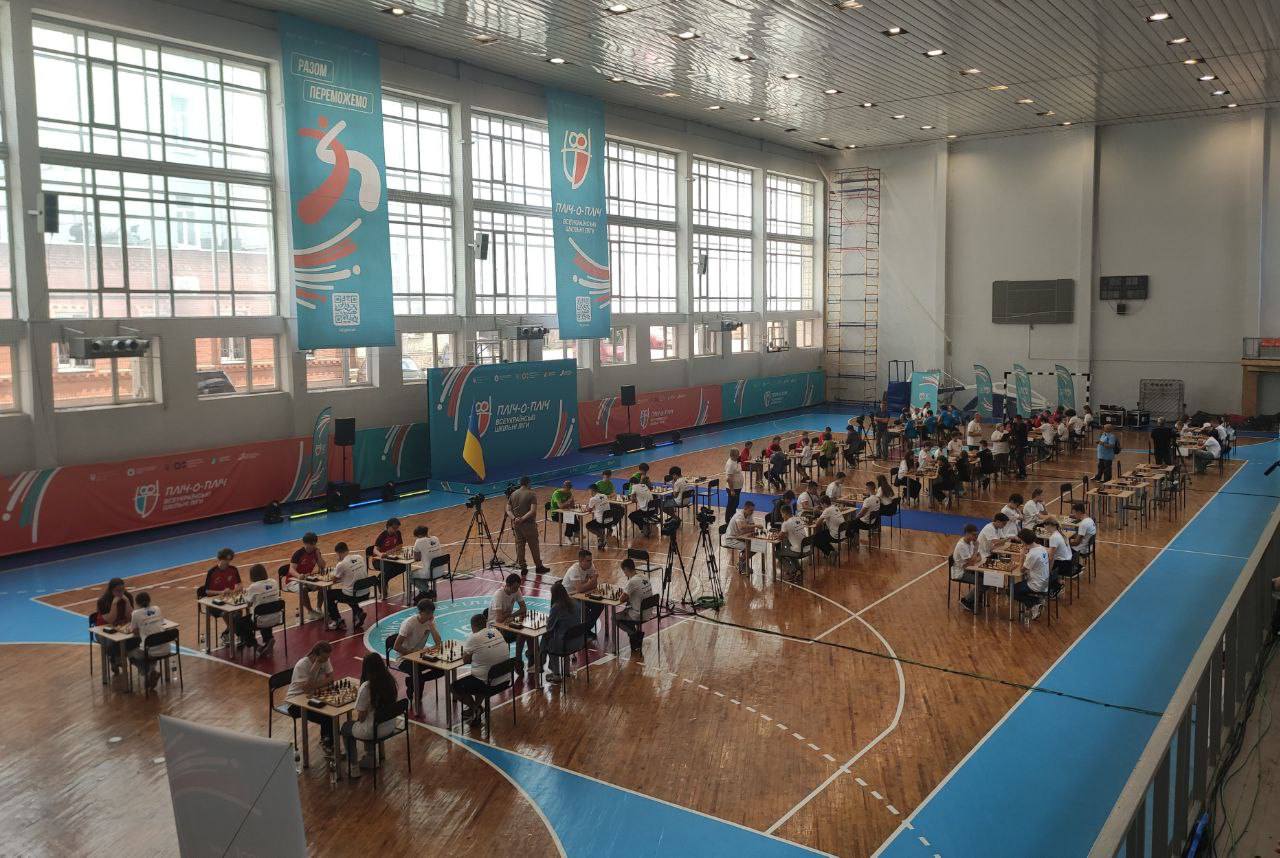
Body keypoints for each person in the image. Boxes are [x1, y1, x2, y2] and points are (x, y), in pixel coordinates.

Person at [341, 653, 400, 776]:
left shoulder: (367, 686)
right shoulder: (390, 681)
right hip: (390, 725)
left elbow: (362, 717)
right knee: (368, 723)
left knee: (346, 727)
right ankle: (370, 757)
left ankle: (353, 767)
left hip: (374, 729)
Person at [453, 614, 512, 727]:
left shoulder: (474, 637)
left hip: (489, 685)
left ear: (472, 626)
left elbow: (466, 660)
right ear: (485, 623)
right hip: (505, 681)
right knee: (480, 675)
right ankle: (476, 708)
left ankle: (475, 708)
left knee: (454, 687)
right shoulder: (496, 631)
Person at [288, 642, 337, 752]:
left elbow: (331, 678)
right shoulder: (302, 665)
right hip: (295, 702)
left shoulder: (324, 659)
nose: (326, 660)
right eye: (324, 658)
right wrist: (314, 668)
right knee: (327, 717)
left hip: (312, 696)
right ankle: (328, 744)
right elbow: (306, 689)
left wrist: (314, 686)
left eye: (328, 657)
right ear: (315, 655)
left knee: (332, 711)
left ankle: (327, 740)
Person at [393, 598, 444, 704]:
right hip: (404, 659)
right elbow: (396, 646)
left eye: (432, 613)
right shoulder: (409, 623)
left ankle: (412, 681)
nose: (430, 616)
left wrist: (432, 627)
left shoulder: (430, 621)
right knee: (417, 674)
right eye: (428, 613)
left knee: (441, 669)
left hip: (419, 657)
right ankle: (415, 682)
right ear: (420, 612)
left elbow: (438, 642)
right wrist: (412, 654)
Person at [234, 563, 282, 656]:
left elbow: (247, 602)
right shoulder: (274, 582)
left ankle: (255, 645)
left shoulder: (254, 587)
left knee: (238, 623)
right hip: (276, 618)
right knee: (265, 612)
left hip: (260, 620)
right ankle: (269, 639)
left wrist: (244, 593)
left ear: (252, 576)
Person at [508, 476, 551, 576]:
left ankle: (523, 567)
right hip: (528, 525)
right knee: (534, 546)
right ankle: (538, 566)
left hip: (517, 525)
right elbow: (532, 511)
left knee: (520, 545)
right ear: (528, 483)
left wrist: (514, 519)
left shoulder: (513, 494)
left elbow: (508, 510)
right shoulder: (531, 494)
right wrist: (522, 518)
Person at [490, 573, 532, 672]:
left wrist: (512, 616)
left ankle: (532, 658)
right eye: (514, 588)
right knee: (521, 634)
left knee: (528, 633)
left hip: (507, 623)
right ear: (507, 585)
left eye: (518, 587)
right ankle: (518, 661)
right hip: (495, 627)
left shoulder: (516, 590)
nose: (516, 590)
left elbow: (524, 608)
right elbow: (499, 619)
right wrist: (511, 615)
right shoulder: (499, 595)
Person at [128, 591, 169, 690]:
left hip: (150, 651)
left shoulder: (135, 613)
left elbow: (135, 632)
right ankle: (151, 672)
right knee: (148, 650)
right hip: (166, 649)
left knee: (130, 653)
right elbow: (161, 623)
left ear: (136, 603)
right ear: (150, 600)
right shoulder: (157, 608)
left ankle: (148, 673)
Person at [614, 558, 655, 653]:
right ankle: (636, 638)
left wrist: (625, 595)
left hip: (639, 614)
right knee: (626, 611)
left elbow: (621, 599)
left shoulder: (632, 582)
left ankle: (635, 635)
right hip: (648, 611)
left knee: (615, 617)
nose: (624, 574)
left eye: (624, 571)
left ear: (626, 569)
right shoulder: (644, 576)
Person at [94, 578, 134, 673]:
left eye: (122, 590)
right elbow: (110, 620)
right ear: (111, 590)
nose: (121, 593)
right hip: (103, 630)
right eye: (117, 591)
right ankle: (115, 659)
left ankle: (119, 658)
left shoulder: (127, 597)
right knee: (112, 642)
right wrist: (114, 604)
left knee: (133, 639)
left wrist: (127, 602)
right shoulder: (102, 601)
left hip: (120, 627)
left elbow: (130, 617)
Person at [326, 541, 368, 631]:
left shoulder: (341, 564)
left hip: (354, 596)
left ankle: (337, 620)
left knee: (328, 594)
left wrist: (337, 566)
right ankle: (358, 612)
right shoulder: (359, 557)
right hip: (366, 592)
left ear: (338, 553)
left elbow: (334, 579)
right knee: (348, 590)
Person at [543, 582, 579, 682]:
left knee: (547, 641)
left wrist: (548, 621)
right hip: (578, 641)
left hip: (565, 643)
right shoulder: (575, 602)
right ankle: (566, 672)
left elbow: (549, 628)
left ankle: (556, 673)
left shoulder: (556, 607)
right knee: (562, 637)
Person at [562, 549, 603, 635]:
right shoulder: (574, 570)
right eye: (588, 561)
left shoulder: (591, 566)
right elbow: (580, 588)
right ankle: (583, 631)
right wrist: (592, 581)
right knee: (584, 609)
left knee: (599, 605)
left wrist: (586, 585)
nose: (591, 563)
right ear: (581, 561)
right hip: (569, 597)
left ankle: (585, 630)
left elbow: (594, 585)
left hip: (581, 595)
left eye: (591, 560)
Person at [205, 548, 241, 645]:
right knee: (227, 613)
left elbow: (239, 585)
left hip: (230, 600)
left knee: (238, 612)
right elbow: (207, 591)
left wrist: (235, 589)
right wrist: (221, 592)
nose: (227, 563)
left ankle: (227, 634)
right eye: (225, 560)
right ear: (220, 559)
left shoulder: (233, 569)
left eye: (229, 560)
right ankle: (239, 634)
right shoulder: (212, 572)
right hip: (214, 603)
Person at [1014, 529, 1051, 623]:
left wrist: (1022, 556)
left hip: (1036, 585)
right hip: (1045, 582)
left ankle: (1034, 603)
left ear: (1023, 541)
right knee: (1018, 586)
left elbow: (1021, 570)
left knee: (1011, 590)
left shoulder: (1032, 554)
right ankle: (1037, 601)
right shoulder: (1041, 548)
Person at [287, 532, 325, 620]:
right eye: (310, 544)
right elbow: (291, 570)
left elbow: (322, 566)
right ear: (305, 543)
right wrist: (298, 575)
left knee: (322, 586)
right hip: (293, 580)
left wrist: (318, 555)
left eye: (314, 544)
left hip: (307, 579)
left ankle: (318, 608)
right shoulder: (298, 553)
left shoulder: (316, 552)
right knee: (303, 589)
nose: (312, 546)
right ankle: (310, 612)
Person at [953, 525, 983, 613]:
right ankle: (966, 601)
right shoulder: (961, 545)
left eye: (976, 535)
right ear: (967, 534)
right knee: (982, 582)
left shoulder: (971, 542)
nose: (976, 537)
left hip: (968, 569)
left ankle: (975, 598)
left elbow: (979, 557)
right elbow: (972, 561)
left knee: (986, 578)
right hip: (959, 572)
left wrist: (974, 559)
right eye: (974, 535)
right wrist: (976, 550)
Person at [408, 525, 442, 600]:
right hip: (440, 570)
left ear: (419, 535)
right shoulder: (436, 538)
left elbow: (417, 559)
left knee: (410, 575)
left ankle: (426, 592)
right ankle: (424, 592)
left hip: (429, 573)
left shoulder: (419, 541)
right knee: (421, 572)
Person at [723, 500, 758, 572]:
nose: (752, 512)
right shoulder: (739, 515)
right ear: (745, 508)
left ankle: (743, 562)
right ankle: (741, 563)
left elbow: (752, 527)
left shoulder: (749, 515)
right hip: (731, 539)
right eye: (751, 510)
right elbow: (741, 526)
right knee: (751, 547)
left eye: (753, 510)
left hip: (740, 537)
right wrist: (755, 526)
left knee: (758, 546)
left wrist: (752, 528)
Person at [1044, 518, 1073, 589]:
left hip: (1063, 565)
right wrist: (1041, 548)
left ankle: (1053, 586)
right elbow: (1053, 550)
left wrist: (1048, 571)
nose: (1045, 529)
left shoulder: (1054, 537)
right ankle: (1058, 581)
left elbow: (1051, 557)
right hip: (1068, 561)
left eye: (1045, 527)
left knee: (1041, 565)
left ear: (1050, 526)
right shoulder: (1059, 533)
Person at [849, 481, 880, 547]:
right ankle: (855, 540)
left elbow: (861, 514)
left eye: (866, 488)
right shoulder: (878, 498)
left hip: (866, 523)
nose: (865, 490)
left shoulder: (868, 500)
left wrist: (855, 518)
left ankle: (852, 540)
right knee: (855, 523)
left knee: (850, 524)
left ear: (868, 489)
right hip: (874, 522)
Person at [584, 483, 612, 549]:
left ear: (592, 490)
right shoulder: (604, 495)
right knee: (596, 520)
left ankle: (601, 536)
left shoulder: (593, 499)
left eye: (589, 491)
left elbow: (589, 510)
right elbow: (599, 505)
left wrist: (587, 506)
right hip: (609, 519)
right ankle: (600, 540)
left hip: (601, 521)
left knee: (588, 525)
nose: (589, 492)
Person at [724, 448, 745, 522]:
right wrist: (732, 490)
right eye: (737, 455)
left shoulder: (735, 460)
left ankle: (733, 518)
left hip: (738, 487)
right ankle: (728, 520)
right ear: (732, 455)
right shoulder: (730, 464)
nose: (738, 456)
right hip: (733, 488)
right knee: (731, 504)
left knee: (735, 504)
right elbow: (729, 479)